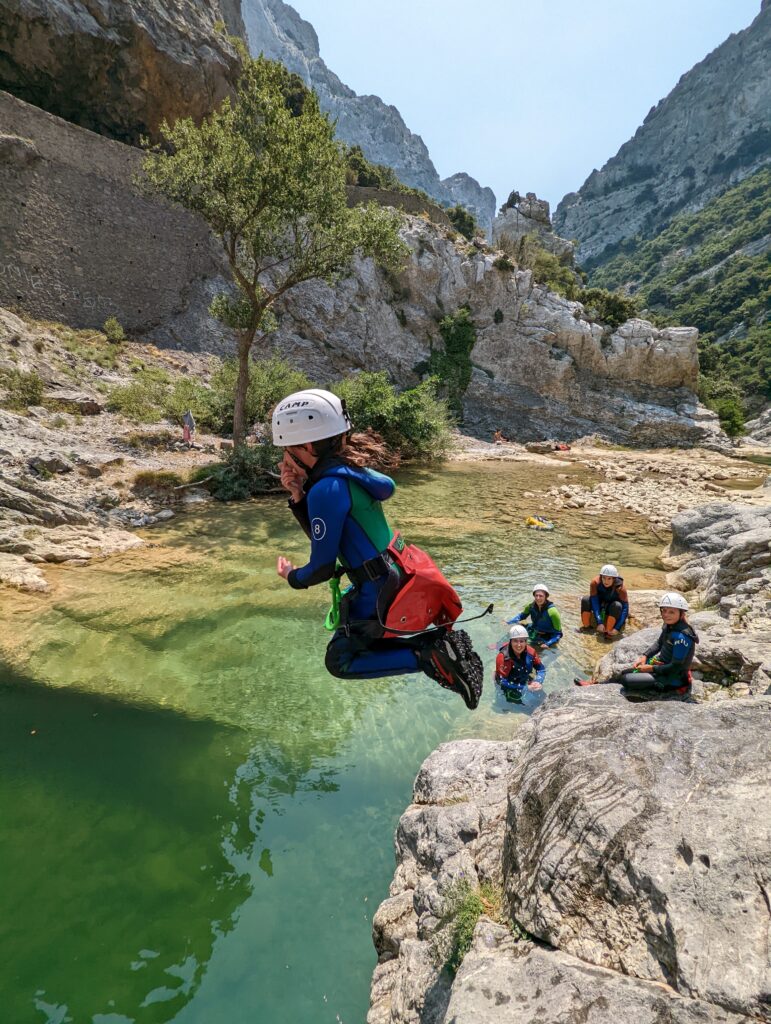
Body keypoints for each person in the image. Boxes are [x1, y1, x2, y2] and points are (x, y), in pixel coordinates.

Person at [273, 388, 484, 709]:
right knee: (358, 642)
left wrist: (292, 576)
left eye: (287, 448)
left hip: (376, 587)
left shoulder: (327, 488)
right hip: (394, 572)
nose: (285, 457)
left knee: (340, 660)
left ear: (304, 446)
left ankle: (430, 655)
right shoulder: (349, 473)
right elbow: (332, 537)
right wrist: (298, 495)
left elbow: (322, 567)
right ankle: (437, 646)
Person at [574, 593, 697, 694]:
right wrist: (645, 656)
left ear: (681, 614)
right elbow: (659, 643)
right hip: (661, 667)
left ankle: (596, 688)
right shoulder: (669, 626)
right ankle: (595, 685)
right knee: (623, 672)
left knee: (627, 680)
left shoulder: (682, 637)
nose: (666, 615)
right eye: (664, 611)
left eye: (671, 612)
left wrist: (650, 668)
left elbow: (676, 667)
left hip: (672, 678)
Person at [579, 564, 629, 637]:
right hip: (600, 604)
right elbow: (594, 601)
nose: (606, 581)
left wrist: (617, 628)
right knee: (585, 599)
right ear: (600, 577)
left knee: (617, 605)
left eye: (609, 579)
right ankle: (586, 628)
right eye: (604, 578)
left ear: (614, 579)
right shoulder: (595, 582)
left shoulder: (620, 588)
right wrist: (599, 622)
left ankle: (608, 633)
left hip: (612, 608)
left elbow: (625, 608)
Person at [495, 625, 546, 694]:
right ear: (510, 642)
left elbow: (541, 669)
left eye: (521, 641)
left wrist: (538, 681)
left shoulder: (531, 652)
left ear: (526, 642)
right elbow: (502, 681)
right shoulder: (503, 658)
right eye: (515, 641)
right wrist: (525, 688)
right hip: (508, 683)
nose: (519, 645)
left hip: (524, 678)